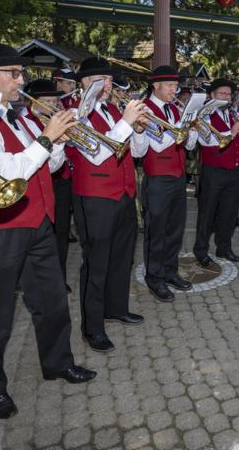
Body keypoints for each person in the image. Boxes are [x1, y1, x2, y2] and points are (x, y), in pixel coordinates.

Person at [0, 43, 95, 419]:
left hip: (38, 220)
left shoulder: (20, 117)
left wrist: (58, 144)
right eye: (12, 73)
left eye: (20, 73)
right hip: (0, 228)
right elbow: (7, 172)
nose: (20, 81)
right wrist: (47, 139)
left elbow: (45, 166)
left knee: (52, 301)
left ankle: (58, 362)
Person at [66, 57, 148, 354]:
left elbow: (136, 152)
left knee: (122, 257)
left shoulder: (114, 110)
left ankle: (116, 308)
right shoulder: (74, 114)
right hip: (95, 197)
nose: (109, 84)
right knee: (96, 263)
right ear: (85, 82)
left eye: (111, 79)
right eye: (103, 79)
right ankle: (92, 327)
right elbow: (97, 154)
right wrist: (126, 123)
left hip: (124, 193)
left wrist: (138, 129)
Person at [132, 66, 197, 302]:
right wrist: (181, 128)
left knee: (175, 229)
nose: (174, 90)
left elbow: (189, 146)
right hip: (158, 178)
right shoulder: (144, 109)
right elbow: (154, 145)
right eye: (170, 85)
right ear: (156, 85)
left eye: (175, 86)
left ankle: (170, 271)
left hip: (178, 176)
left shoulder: (174, 109)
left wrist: (191, 127)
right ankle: (154, 277)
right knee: (156, 231)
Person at [20, 78, 74, 291]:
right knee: (38, 235)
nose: (53, 105)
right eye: (48, 101)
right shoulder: (24, 121)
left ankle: (59, 278)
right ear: (33, 101)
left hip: (60, 181)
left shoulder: (54, 118)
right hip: (36, 185)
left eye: (55, 101)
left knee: (61, 231)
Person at [193, 78, 239, 266]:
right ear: (212, 95)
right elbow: (206, 141)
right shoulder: (204, 115)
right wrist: (231, 133)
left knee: (229, 212)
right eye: (221, 93)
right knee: (207, 213)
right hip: (213, 171)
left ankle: (223, 247)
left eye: (228, 94)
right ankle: (200, 250)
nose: (226, 97)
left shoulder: (234, 113)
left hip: (234, 171)